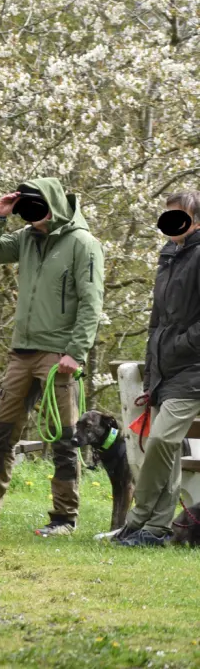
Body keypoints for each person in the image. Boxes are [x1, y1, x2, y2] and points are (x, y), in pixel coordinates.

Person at [0, 178, 104, 536]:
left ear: (55, 204)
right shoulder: (27, 239)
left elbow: (92, 304)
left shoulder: (83, 244)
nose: (31, 218)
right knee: (1, 433)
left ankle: (64, 518)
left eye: (36, 208)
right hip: (22, 351)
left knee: (63, 439)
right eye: (25, 210)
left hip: (59, 355)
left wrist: (75, 353)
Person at [114, 191, 200, 546]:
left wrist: (179, 348)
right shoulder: (168, 257)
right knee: (164, 447)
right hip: (167, 371)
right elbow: (155, 324)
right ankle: (155, 528)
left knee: (163, 439)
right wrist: (152, 375)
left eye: (178, 215)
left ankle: (139, 518)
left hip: (193, 369)